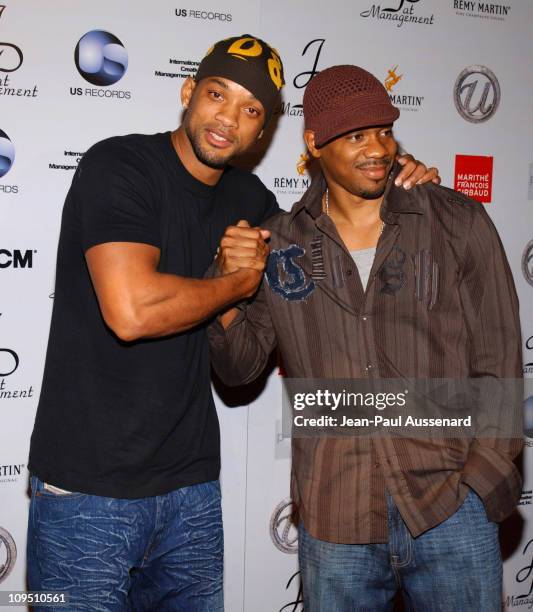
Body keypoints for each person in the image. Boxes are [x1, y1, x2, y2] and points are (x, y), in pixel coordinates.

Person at [27, 33, 438, 611]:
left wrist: (392, 180)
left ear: (263, 131)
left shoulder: (253, 198)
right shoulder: (119, 166)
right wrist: (232, 285)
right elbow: (132, 311)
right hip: (86, 491)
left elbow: (335, 225)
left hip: (191, 487)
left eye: (251, 111)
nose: (229, 120)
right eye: (218, 95)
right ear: (188, 91)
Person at [208, 65, 523, 611]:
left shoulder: (456, 221)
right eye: (355, 136)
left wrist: (480, 482)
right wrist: (226, 281)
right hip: (336, 515)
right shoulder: (280, 244)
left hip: (448, 505)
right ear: (314, 144)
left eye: (383, 129)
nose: (377, 147)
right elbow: (238, 368)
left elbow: (499, 358)